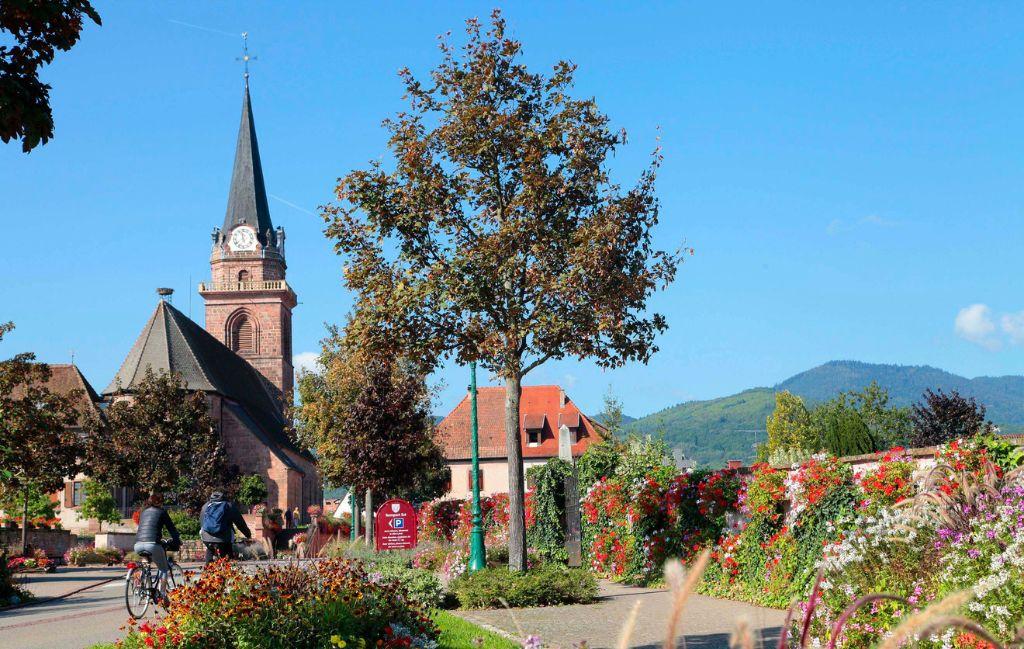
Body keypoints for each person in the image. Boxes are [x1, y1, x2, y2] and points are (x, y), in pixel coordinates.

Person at [134, 493, 181, 593]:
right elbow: (171, 529)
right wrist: (177, 541)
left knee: (145, 562)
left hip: (137, 544)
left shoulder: (143, 512)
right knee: (163, 569)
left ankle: (140, 582)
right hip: (152, 544)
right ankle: (163, 595)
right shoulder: (161, 512)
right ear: (160, 502)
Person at [199, 490, 251, 564]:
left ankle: (207, 571)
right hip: (223, 537)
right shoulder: (229, 506)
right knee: (227, 556)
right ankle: (228, 570)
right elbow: (240, 523)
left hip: (206, 536)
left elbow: (202, 523)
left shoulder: (205, 506)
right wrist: (247, 534)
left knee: (210, 549)